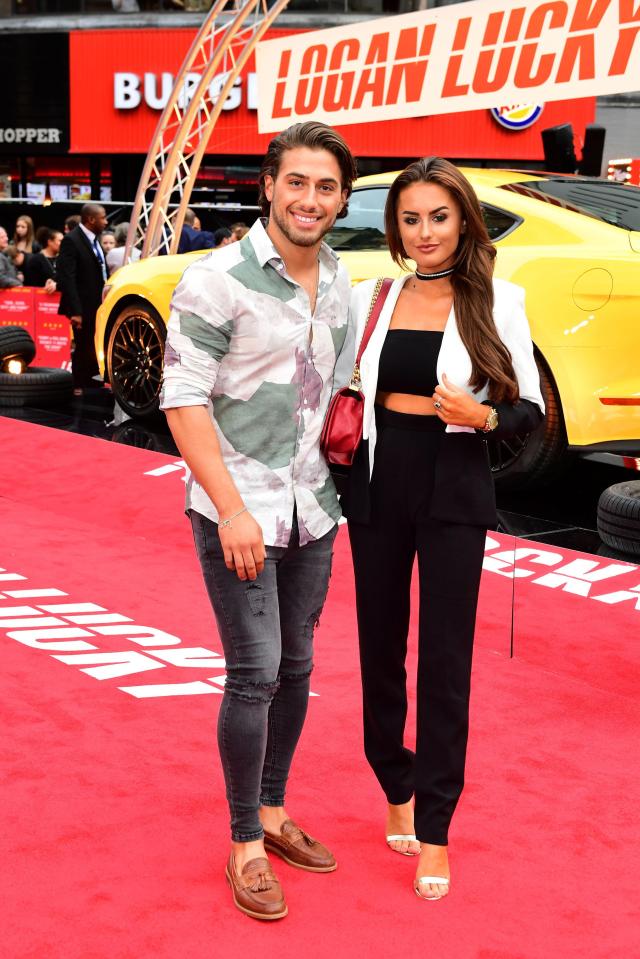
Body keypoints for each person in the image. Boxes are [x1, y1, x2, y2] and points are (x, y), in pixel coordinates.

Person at [160, 121, 357, 921]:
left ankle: (274, 810)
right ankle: (245, 840)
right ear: (269, 186)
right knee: (256, 670)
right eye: (297, 182)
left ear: (342, 198)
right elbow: (181, 398)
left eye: (326, 186)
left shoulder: (342, 277)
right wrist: (234, 509)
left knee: (301, 666)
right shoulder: (218, 280)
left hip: (313, 507)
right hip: (236, 509)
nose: (310, 199)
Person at [341, 157, 544, 902]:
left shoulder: (499, 298)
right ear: (395, 226)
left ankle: (435, 826)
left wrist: (484, 415)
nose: (424, 232)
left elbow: (531, 413)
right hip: (378, 478)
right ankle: (391, 777)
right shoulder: (374, 294)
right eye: (410, 218)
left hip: (455, 480)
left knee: (445, 662)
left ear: (463, 219)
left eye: (438, 216)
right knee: (378, 646)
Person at [57, 202, 108, 395]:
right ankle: (78, 384)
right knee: (82, 344)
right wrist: (76, 311)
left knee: (93, 343)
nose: (106, 221)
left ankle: (92, 381)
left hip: (97, 303)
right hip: (81, 305)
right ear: (91, 219)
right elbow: (67, 277)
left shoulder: (95, 239)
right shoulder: (72, 240)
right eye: (103, 217)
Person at [23, 228, 62, 292]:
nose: (63, 243)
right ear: (50, 242)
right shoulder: (35, 260)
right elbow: (32, 284)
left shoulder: (63, 258)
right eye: (60, 241)